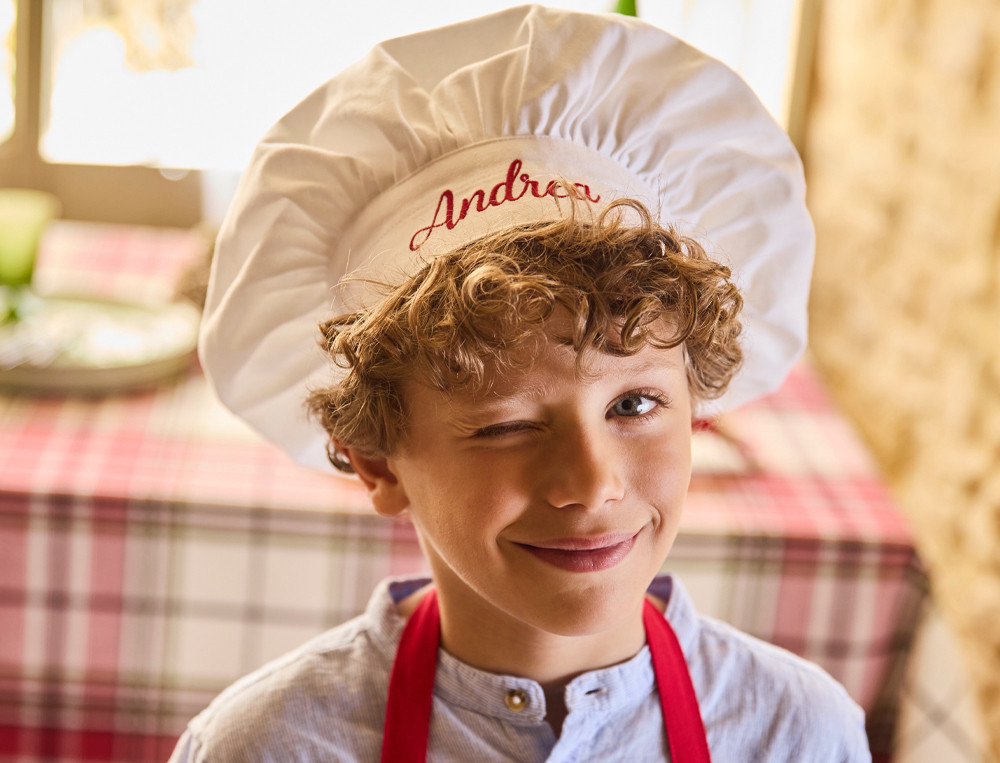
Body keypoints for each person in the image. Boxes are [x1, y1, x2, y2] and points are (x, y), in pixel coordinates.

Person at [171, 5, 871, 761]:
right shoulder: (272, 746)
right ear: (375, 458)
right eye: (507, 423)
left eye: (633, 403)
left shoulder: (797, 732)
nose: (590, 483)